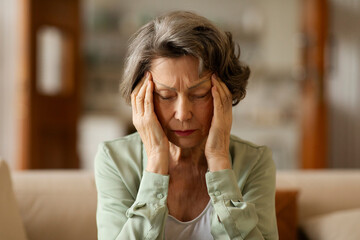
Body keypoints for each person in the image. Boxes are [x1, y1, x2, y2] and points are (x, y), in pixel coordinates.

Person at [95, 11, 278, 240]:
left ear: (224, 94)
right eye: (165, 95)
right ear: (142, 98)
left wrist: (220, 160)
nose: (183, 114)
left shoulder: (255, 163)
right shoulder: (114, 160)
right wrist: (155, 163)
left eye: (200, 94)